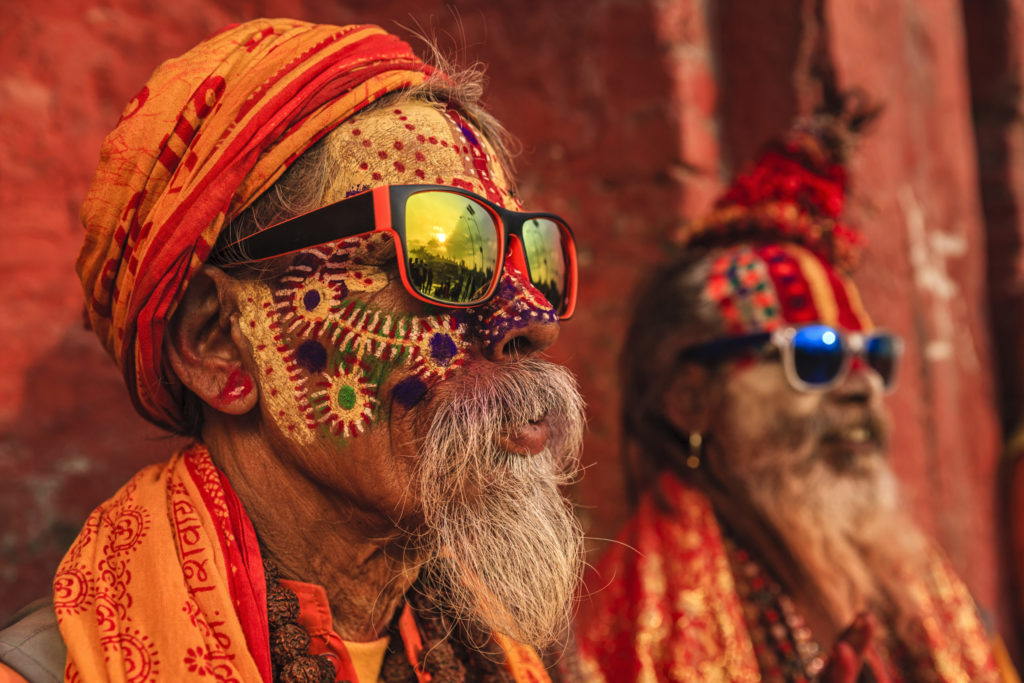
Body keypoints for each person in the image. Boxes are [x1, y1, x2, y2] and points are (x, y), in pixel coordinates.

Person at [0, 18, 586, 683]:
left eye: (530, 255)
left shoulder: (515, 652)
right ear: (217, 341)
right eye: (443, 251)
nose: (531, 319)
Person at [576, 99, 1015, 681]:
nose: (859, 388)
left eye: (872, 358)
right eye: (815, 357)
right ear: (691, 400)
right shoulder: (634, 626)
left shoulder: (923, 587)